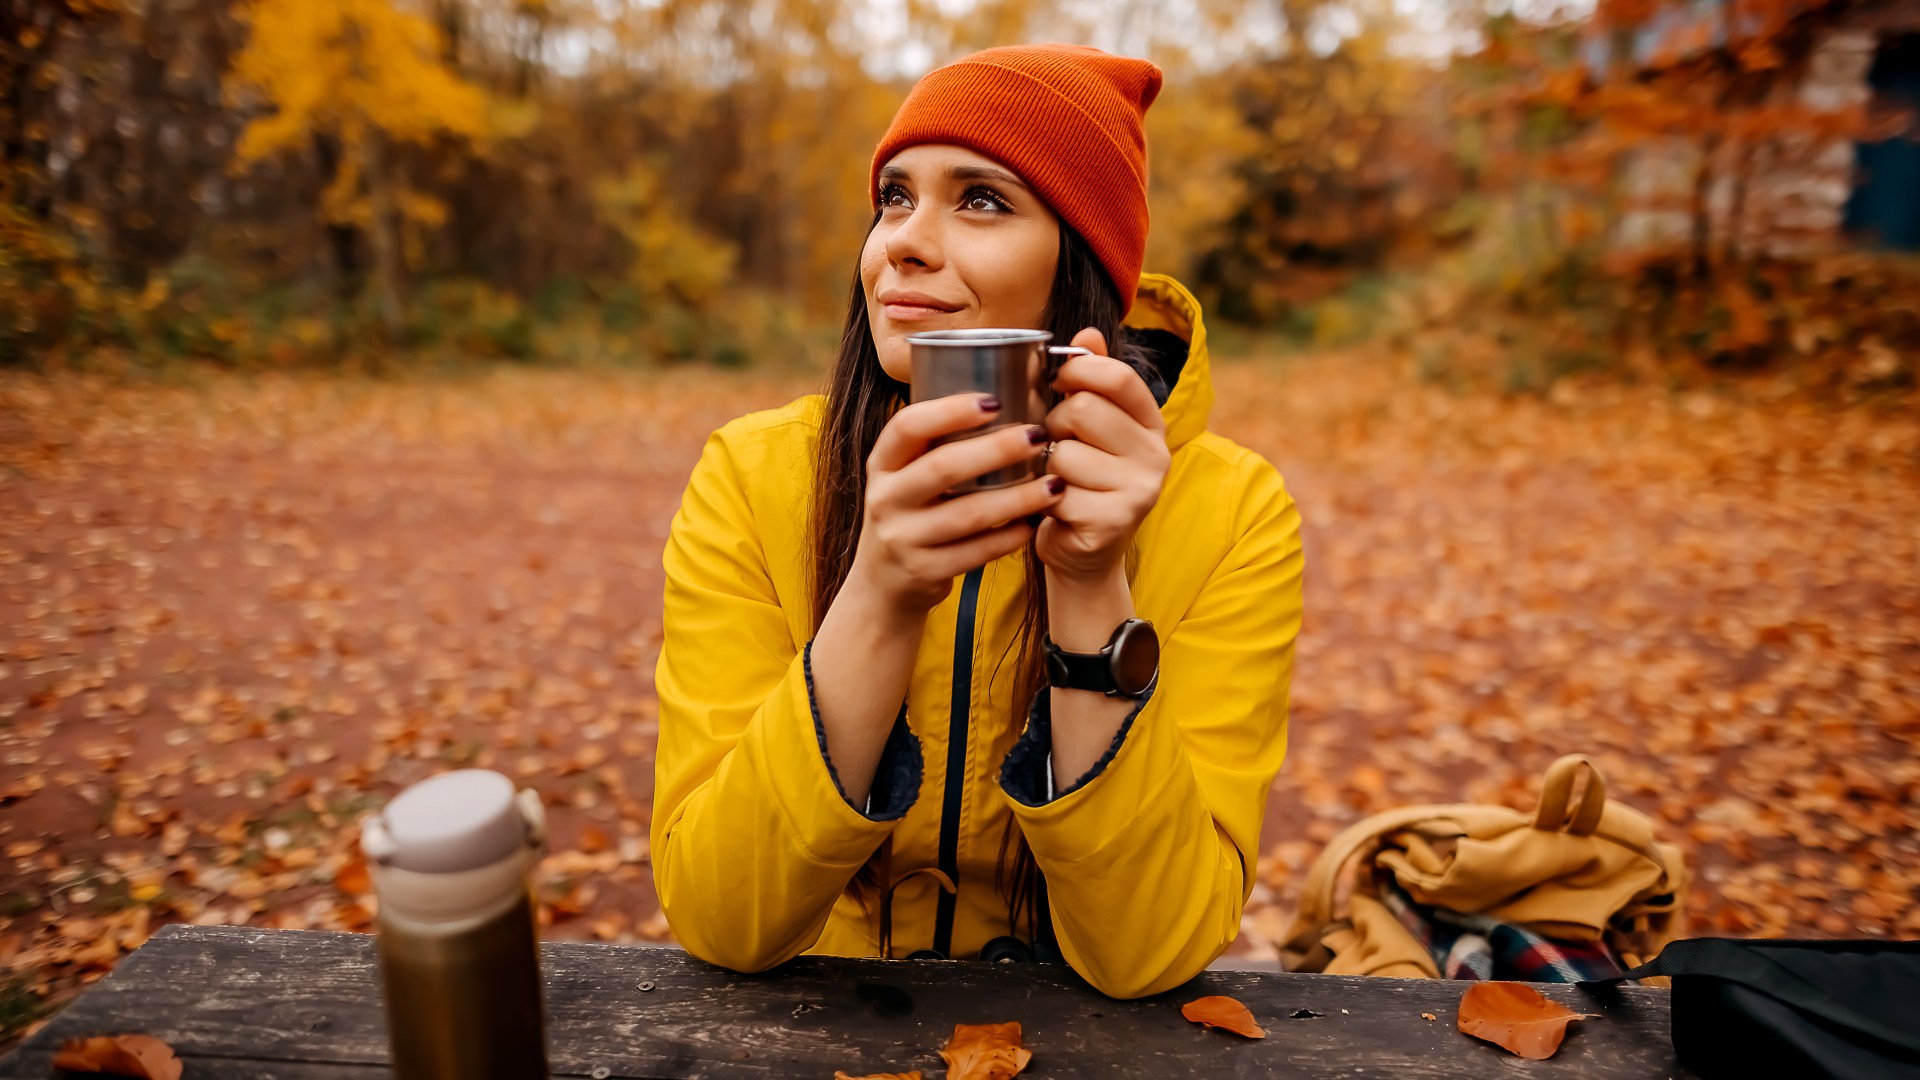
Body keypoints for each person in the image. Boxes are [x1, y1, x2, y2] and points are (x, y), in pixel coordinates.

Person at [650, 43, 1305, 999]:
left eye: (983, 199)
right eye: (895, 198)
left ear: (1078, 260)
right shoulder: (751, 476)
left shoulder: (1234, 511)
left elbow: (1150, 954)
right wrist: (877, 589)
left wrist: (1090, 585)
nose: (903, 242)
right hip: (822, 1022)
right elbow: (721, 916)